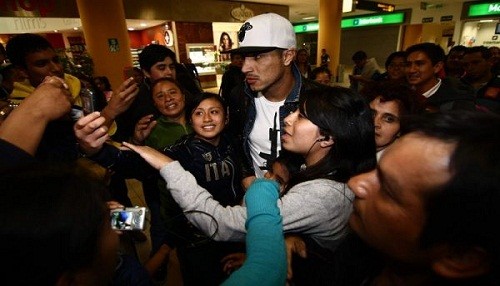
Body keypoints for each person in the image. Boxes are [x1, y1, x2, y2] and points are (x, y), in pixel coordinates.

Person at [79, 86, 376, 255]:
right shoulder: (181, 149)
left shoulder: (235, 144)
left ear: (227, 117)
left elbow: (243, 196)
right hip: (197, 235)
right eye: (198, 112)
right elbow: (137, 164)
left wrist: (254, 185)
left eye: (215, 111)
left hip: (233, 230)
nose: (287, 119)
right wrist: (98, 150)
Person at [223, 13, 323, 187]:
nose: (245, 68)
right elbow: (234, 140)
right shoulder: (239, 95)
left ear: (287, 56)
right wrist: (246, 176)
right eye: (244, 58)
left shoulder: (320, 99)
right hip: (256, 198)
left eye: (257, 57)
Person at [5, 33, 138, 163]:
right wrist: (111, 110)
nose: (56, 68)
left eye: (56, 60)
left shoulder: (84, 86)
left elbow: (109, 132)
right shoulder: (19, 112)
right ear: (22, 71)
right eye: (42, 64)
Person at [405, 42, 476, 112]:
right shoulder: (403, 94)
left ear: (437, 67)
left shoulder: (457, 100)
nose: (411, 70)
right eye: (408, 65)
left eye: (419, 64)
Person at [361, 81, 423, 159]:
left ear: (401, 129)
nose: (375, 123)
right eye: (371, 113)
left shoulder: (397, 165)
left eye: (389, 119)